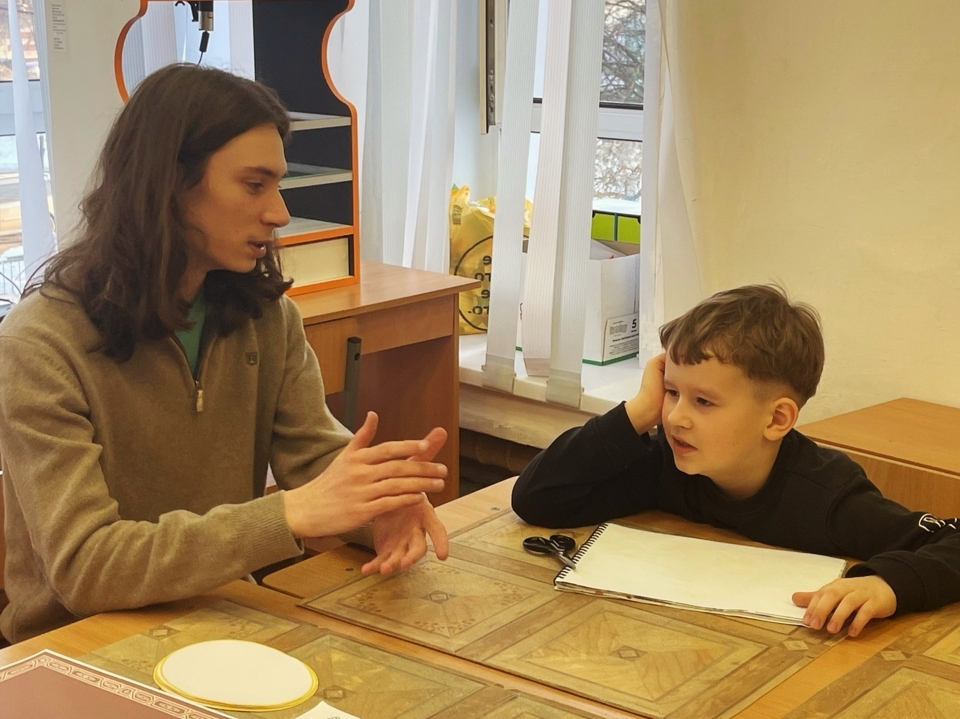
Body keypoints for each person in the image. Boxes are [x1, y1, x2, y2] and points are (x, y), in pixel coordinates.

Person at [0, 64, 450, 644]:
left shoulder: (268, 318)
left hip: (220, 620)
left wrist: (380, 502)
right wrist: (288, 514)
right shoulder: (38, 346)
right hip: (77, 645)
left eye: (278, 185)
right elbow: (86, 567)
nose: (280, 212)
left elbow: (312, 457)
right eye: (255, 185)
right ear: (168, 184)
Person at [512, 284, 960, 638]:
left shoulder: (829, 497)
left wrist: (887, 584)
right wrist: (638, 412)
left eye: (704, 401)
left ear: (777, 419)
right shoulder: (666, 460)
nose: (676, 417)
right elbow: (537, 498)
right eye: (672, 391)